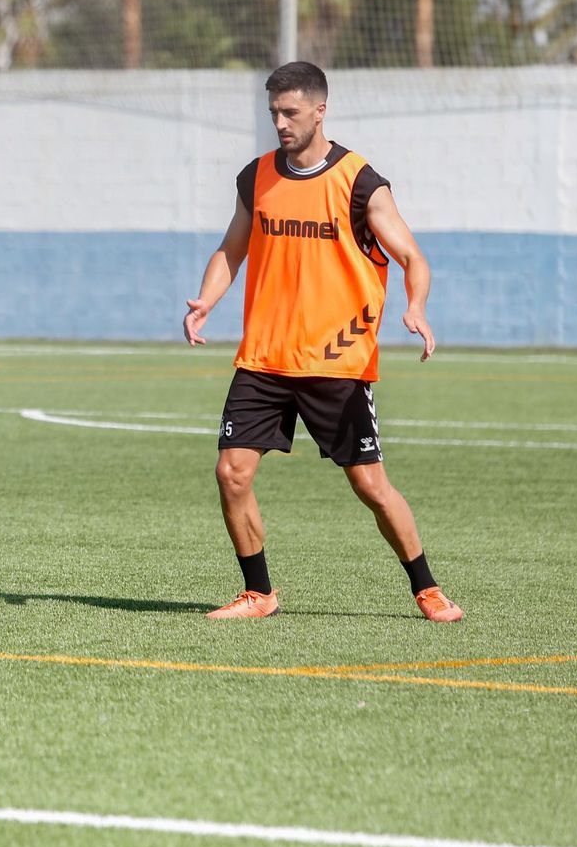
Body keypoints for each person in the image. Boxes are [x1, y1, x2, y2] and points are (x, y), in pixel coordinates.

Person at [182, 62, 463, 622]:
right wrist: (207, 299)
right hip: (264, 358)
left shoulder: (359, 181)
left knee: (371, 485)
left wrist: (415, 306)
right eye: (273, 114)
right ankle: (259, 593)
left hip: (336, 361)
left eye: (290, 112)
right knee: (231, 472)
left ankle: (427, 589)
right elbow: (231, 248)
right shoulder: (256, 177)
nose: (280, 123)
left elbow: (412, 257)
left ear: (319, 111)